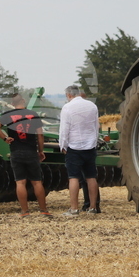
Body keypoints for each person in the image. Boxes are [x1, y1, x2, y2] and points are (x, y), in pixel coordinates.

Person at [0, 95, 51, 218]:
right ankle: (43, 210)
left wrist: (5, 138)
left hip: (16, 151)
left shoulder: (8, 114)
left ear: (13, 104)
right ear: (23, 101)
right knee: (36, 182)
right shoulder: (33, 114)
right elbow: (40, 135)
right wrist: (40, 151)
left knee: (20, 182)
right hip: (31, 151)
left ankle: (25, 212)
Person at [58, 84, 100, 216]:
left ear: (69, 95)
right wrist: (94, 142)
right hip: (90, 146)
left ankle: (74, 209)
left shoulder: (67, 107)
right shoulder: (92, 106)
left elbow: (64, 130)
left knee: (74, 177)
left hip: (74, 146)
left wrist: (62, 145)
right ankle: (93, 208)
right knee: (91, 177)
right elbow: (96, 126)